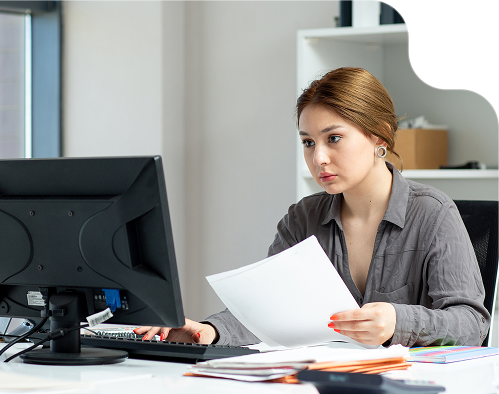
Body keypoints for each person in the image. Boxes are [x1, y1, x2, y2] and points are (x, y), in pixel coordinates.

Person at [135, 67, 491, 348]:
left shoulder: (433, 213)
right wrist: (209, 331)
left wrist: (399, 321)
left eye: (333, 138)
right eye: (308, 142)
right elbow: (267, 310)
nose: (318, 157)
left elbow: (472, 324)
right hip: (322, 387)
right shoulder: (302, 218)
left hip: (416, 393)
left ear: (379, 136)